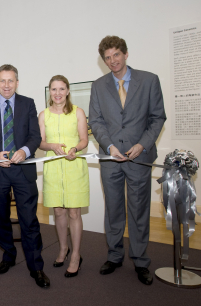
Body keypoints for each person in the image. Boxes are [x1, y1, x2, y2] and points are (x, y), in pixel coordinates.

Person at [88, 35, 166, 285]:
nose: (112, 61)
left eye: (116, 55)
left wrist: (142, 144)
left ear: (126, 53)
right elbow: (96, 121)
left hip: (139, 157)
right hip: (111, 158)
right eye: (107, 58)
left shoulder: (149, 80)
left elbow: (157, 118)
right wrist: (109, 146)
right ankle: (114, 256)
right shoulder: (99, 86)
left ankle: (141, 261)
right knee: (113, 210)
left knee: (139, 210)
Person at [0, 64, 50, 288]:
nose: (6, 85)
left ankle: (36, 266)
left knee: (29, 221)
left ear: (17, 82)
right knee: (0, 219)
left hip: (23, 171)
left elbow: (35, 136)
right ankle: (8, 255)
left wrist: (24, 151)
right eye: (2, 81)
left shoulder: (28, 104)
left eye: (11, 81)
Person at [38, 75, 89, 278]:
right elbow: (40, 142)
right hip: (52, 166)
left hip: (74, 165)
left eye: (61, 89)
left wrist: (75, 148)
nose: (57, 93)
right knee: (58, 212)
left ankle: (76, 255)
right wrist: (51, 146)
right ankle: (63, 249)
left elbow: (84, 139)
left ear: (68, 91)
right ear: (49, 92)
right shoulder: (43, 115)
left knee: (74, 213)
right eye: (53, 89)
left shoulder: (78, 112)